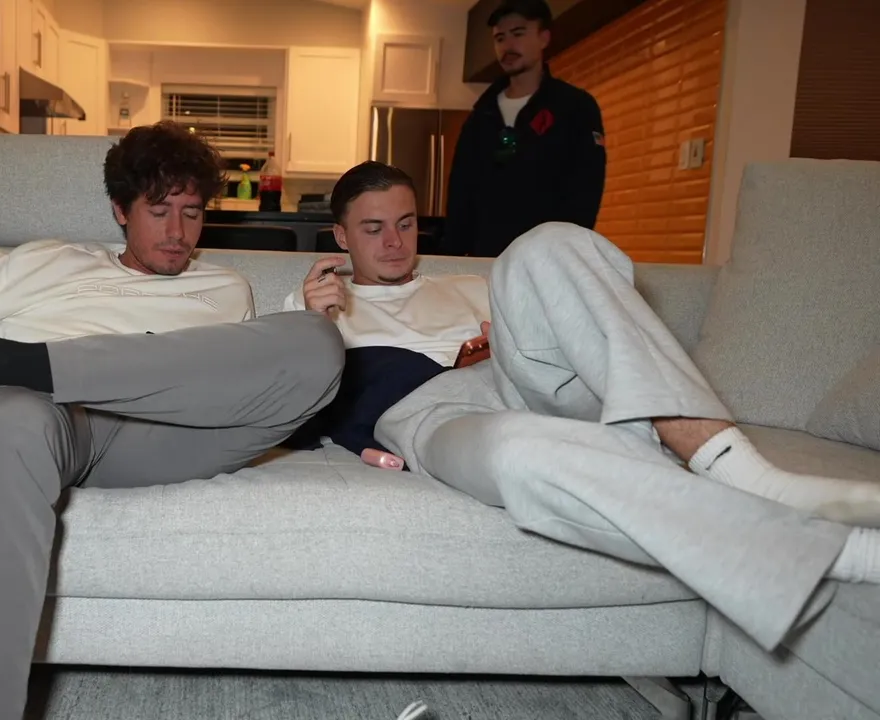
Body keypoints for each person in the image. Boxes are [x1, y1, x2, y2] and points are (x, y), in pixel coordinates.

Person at [0, 121, 350, 720]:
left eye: (192, 213)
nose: (178, 233)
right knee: (2, 420)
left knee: (316, 345)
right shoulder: (53, 262)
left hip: (175, 435)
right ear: (120, 210)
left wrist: (301, 313)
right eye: (158, 212)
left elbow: (236, 379)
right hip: (51, 420)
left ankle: (2, 365)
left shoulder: (228, 287)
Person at [289, 160, 880, 655]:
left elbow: (562, 338)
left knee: (547, 242)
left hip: (514, 379)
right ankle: (834, 552)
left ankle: (735, 465)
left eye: (406, 223)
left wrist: (500, 341)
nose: (394, 243)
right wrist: (311, 325)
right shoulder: (317, 304)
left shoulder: (470, 284)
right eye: (373, 229)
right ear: (340, 237)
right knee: (516, 452)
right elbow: (288, 405)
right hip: (430, 413)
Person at [441, 0, 607, 258]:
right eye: (500, 38)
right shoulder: (481, 115)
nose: (507, 46)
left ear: (544, 38)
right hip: (485, 263)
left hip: (548, 261)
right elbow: (460, 196)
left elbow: (586, 191)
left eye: (518, 34)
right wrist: (452, 260)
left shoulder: (575, 107)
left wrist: (563, 255)